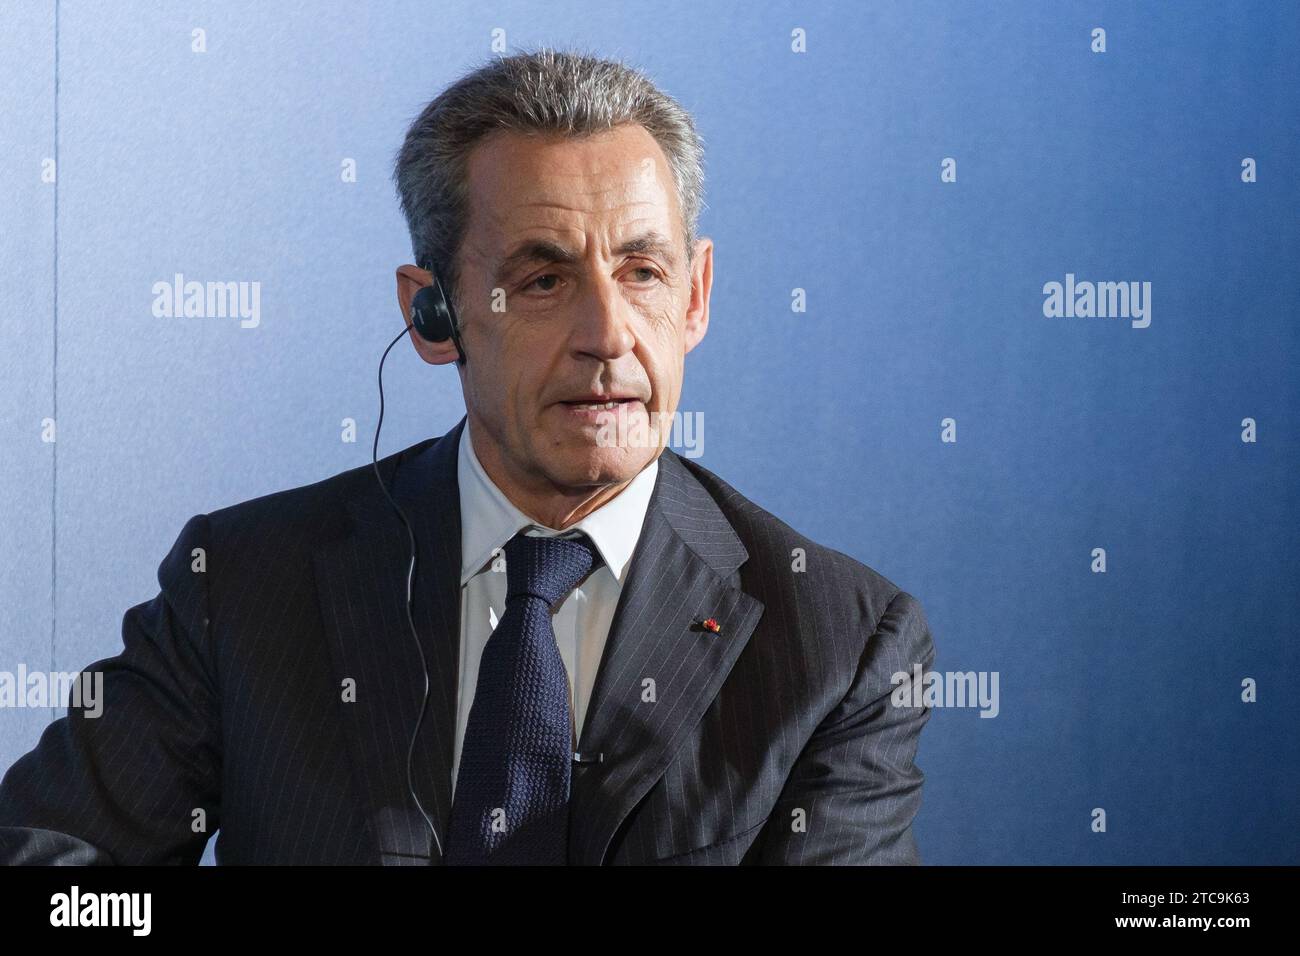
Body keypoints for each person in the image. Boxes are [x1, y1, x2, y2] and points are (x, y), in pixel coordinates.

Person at [0, 48, 936, 865]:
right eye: (542, 279)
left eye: (643, 273)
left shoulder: (838, 642)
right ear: (433, 313)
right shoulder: (241, 586)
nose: (608, 336)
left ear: (695, 299)